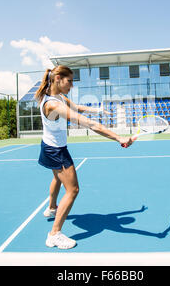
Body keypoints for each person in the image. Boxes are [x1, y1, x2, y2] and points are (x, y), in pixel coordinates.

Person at [34, 65, 133, 249]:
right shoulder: (53, 105)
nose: (72, 85)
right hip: (56, 150)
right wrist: (119, 138)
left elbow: (77, 107)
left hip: (48, 145)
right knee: (73, 190)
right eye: (69, 81)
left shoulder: (56, 96)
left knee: (57, 178)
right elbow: (89, 124)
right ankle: (54, 234)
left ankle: (52, 207)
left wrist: (98, 110)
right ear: (57, 79)